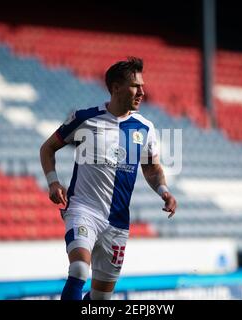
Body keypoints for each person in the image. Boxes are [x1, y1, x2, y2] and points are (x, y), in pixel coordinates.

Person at [39, 57, 177, 300]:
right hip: (84, 210)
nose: (142, 92)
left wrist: (164, 191)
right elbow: (48, 148)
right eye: (136, 86)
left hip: (117, 221)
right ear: (115, 87)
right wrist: (53, 181)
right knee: (80, 269)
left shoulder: (145, 128)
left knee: (101, 299)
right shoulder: (85, 118)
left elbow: (152, 169)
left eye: (142, 86)